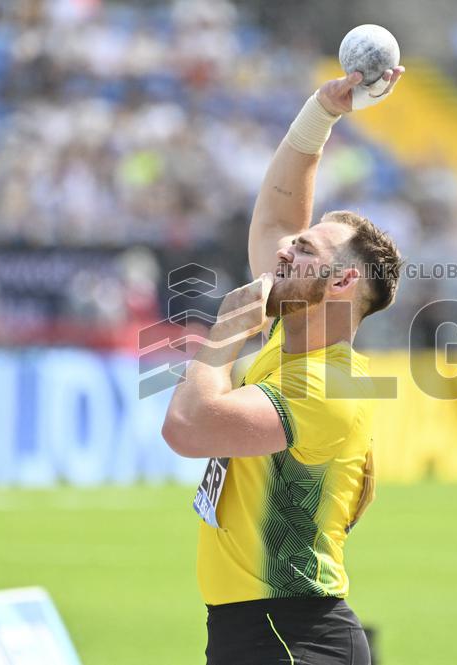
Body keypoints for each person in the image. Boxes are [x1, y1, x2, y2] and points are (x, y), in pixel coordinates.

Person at [162, 65, 405, 664]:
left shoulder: (325, 382)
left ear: (344, 279)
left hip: (292, 638)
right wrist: (321, 112)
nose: (286, 248)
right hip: (262, 630)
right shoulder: (292, 339)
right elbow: (276, 217)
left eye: (308, 249)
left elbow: (187, 427)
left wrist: (224, 332)